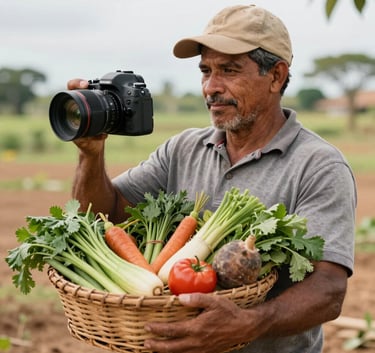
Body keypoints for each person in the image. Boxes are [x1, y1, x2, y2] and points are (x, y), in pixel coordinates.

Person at [67, 4, 356, 353]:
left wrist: (248, 324)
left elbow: (328, 291)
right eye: (206, 71)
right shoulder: (182, 149)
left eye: (229, 70)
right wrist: (90, 153)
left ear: (276, 76)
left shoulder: (318, 165)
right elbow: (104, 215)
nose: (211, 87)